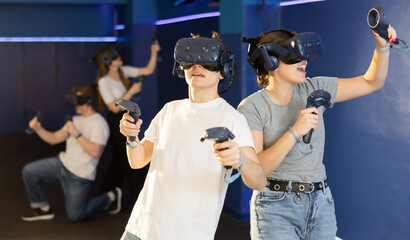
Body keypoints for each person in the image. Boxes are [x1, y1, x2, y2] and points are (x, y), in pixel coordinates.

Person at [237, 25, 397, 239]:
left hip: (321, 202)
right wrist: (294, 132)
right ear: (270, 61)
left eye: (304, 57)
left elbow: (372, 82)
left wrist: (382, 47)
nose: (304, 62)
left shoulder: (316, 88)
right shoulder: (251, 107)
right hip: (275, 207)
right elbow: (257, 171)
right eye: (295, 57)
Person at [118, 32, 267, 240]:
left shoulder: (232, 119)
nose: (197, 67)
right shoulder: (169, 110)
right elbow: (138, 160)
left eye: (207, 62)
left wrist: (240, 160)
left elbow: (259, 181)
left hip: (189, 233)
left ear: (223, 71)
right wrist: (132, 138)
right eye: (191, 60)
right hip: (142, 226)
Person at [21, 84, 120, 222]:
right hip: (62, 165)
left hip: (79, 176)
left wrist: (76, 134)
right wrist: (38, 129)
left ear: (89, 100)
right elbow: (54, 139)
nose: (75, 104)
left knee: (76, 216)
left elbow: (95, 152)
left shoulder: (99, 123)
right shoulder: (75, 120)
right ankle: (42, 208)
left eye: (78, 100)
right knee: (29, 171)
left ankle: (110, 196)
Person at [91, 41, 161, 207]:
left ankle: (108, 195)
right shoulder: (104, 81)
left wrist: (154, 52)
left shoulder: (123, 71)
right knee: (128, 156)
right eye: (115, 57)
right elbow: (113, 108)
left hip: (129, 115)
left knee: (119, 159)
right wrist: (131, 91)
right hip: (117, 120)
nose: (119, 58)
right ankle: (139, 198)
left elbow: (148, 70)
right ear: (108, 62)